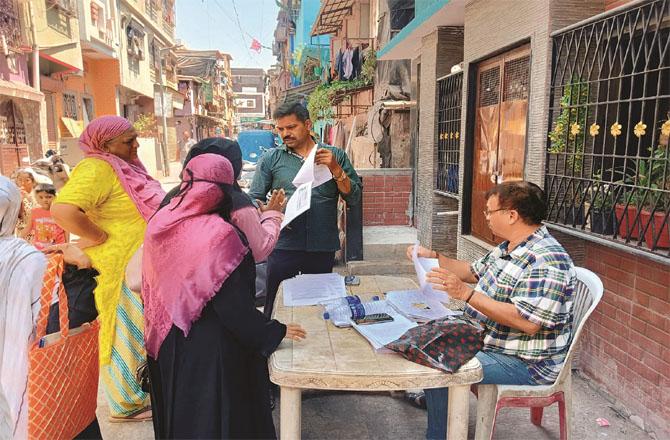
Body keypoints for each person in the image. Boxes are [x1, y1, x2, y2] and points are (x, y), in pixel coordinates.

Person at [143, 153, 306, 439]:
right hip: (211, 350)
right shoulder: (220, 235)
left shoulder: (161, 223)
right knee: (214, 422)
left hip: (168, 341)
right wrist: (273, 331)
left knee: (181, 418)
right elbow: (233, 309)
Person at [407, 181, 576, 439]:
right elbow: (470, 271)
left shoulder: (547, 259)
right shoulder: (510, 246)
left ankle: (439, 430)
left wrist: (466, 294)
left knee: (438, 364)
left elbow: (528, 322)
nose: (485, 217)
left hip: (525, 362)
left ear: (512, 215)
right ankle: (438, 405)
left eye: (489, 212)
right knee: (425, 333)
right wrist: (431, 256)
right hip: (492, 340)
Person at [51, 115, 166, 422]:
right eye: (128, 141)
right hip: (117, 267)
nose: (136, 145)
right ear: (105, 144)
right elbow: (62, 209)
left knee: (139, 331)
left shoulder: (123, 168)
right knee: (124, 333)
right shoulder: (98, 167)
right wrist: (96, 235)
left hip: (137, 263)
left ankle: (141, 392)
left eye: (135, 138)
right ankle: (127, 403)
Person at [0, 177, 99, 439]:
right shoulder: (26, 260)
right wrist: (80, 270)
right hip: (27, 390)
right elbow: (69, 319)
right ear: (17, 211)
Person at [249, 101, 362, 317]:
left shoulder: (333, 156)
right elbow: (254, 198)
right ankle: (270, 347)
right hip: (283, 245)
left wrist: (336, 169)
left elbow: (353, 196)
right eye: (280, 129)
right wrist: (267, 210)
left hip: (322, 246)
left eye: (291, 127)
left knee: (318, 304)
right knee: (276, 301)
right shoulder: (271, 159)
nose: (285, 134)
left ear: (308, 125)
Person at [162, 137, 286, 263]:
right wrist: (272, 215)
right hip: (223, 280)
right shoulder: (237, 203)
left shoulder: (173, 197)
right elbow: (259, 250)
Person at [19, 183, 68, 249]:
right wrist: (18, 240)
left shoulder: (59, 211)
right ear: (36, 198)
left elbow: (66, 230)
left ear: (55, 197)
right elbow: (28, 228)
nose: (44, 200)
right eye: (41, 197)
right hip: (39, 249)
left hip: (57, 249)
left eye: (48, 197)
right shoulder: (34, 212)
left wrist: (67, 246)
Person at [12, 168, 38, 237]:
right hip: (21, 234)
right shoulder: (15, 195)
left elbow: (42, 211)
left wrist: (29, 198)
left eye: (27, 180)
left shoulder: (39, 195)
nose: (23, 183)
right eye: (20, 180)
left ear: (33, 181)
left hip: (37, 232)